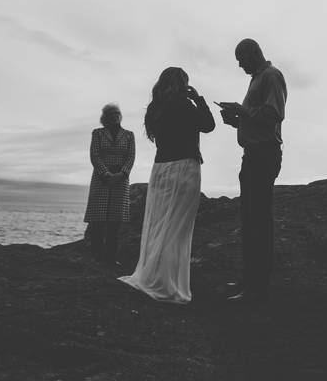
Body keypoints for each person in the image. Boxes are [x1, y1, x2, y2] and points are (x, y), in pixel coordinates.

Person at [119, 67, 215, 304]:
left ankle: (151, 274)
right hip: (184, 168)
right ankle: (167, 283)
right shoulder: (185, 105)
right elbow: (209, 125)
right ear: (183, 84)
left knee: (159, 224)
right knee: (178, 228)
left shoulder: (155, 109)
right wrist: (198, 99)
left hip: (161, 170)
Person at [217, 38, 287, 304]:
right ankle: (250, 279)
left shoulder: (271, 76)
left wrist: (242, 111)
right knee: (249, 219)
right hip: (253, 154)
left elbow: (273, 115)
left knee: (258, 220)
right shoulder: (258, 78)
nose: (239, 64)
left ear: (253, 53)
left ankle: (257, 287)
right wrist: (237, 120)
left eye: (241, 58)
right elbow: (257, 121)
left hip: (264, 155)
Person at [84, 103, 135, 266]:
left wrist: (122, 173)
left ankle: (111, 259)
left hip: (121, 180)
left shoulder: (129, 135)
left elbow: (131, 156)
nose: (114, 115)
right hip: (101, 179)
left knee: (115, 222)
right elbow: (95, 155)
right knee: (98, 222)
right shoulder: (97, 133)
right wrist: (105, 174)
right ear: (105, 117)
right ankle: (96, 257)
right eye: (111, 113)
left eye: (117, 113)